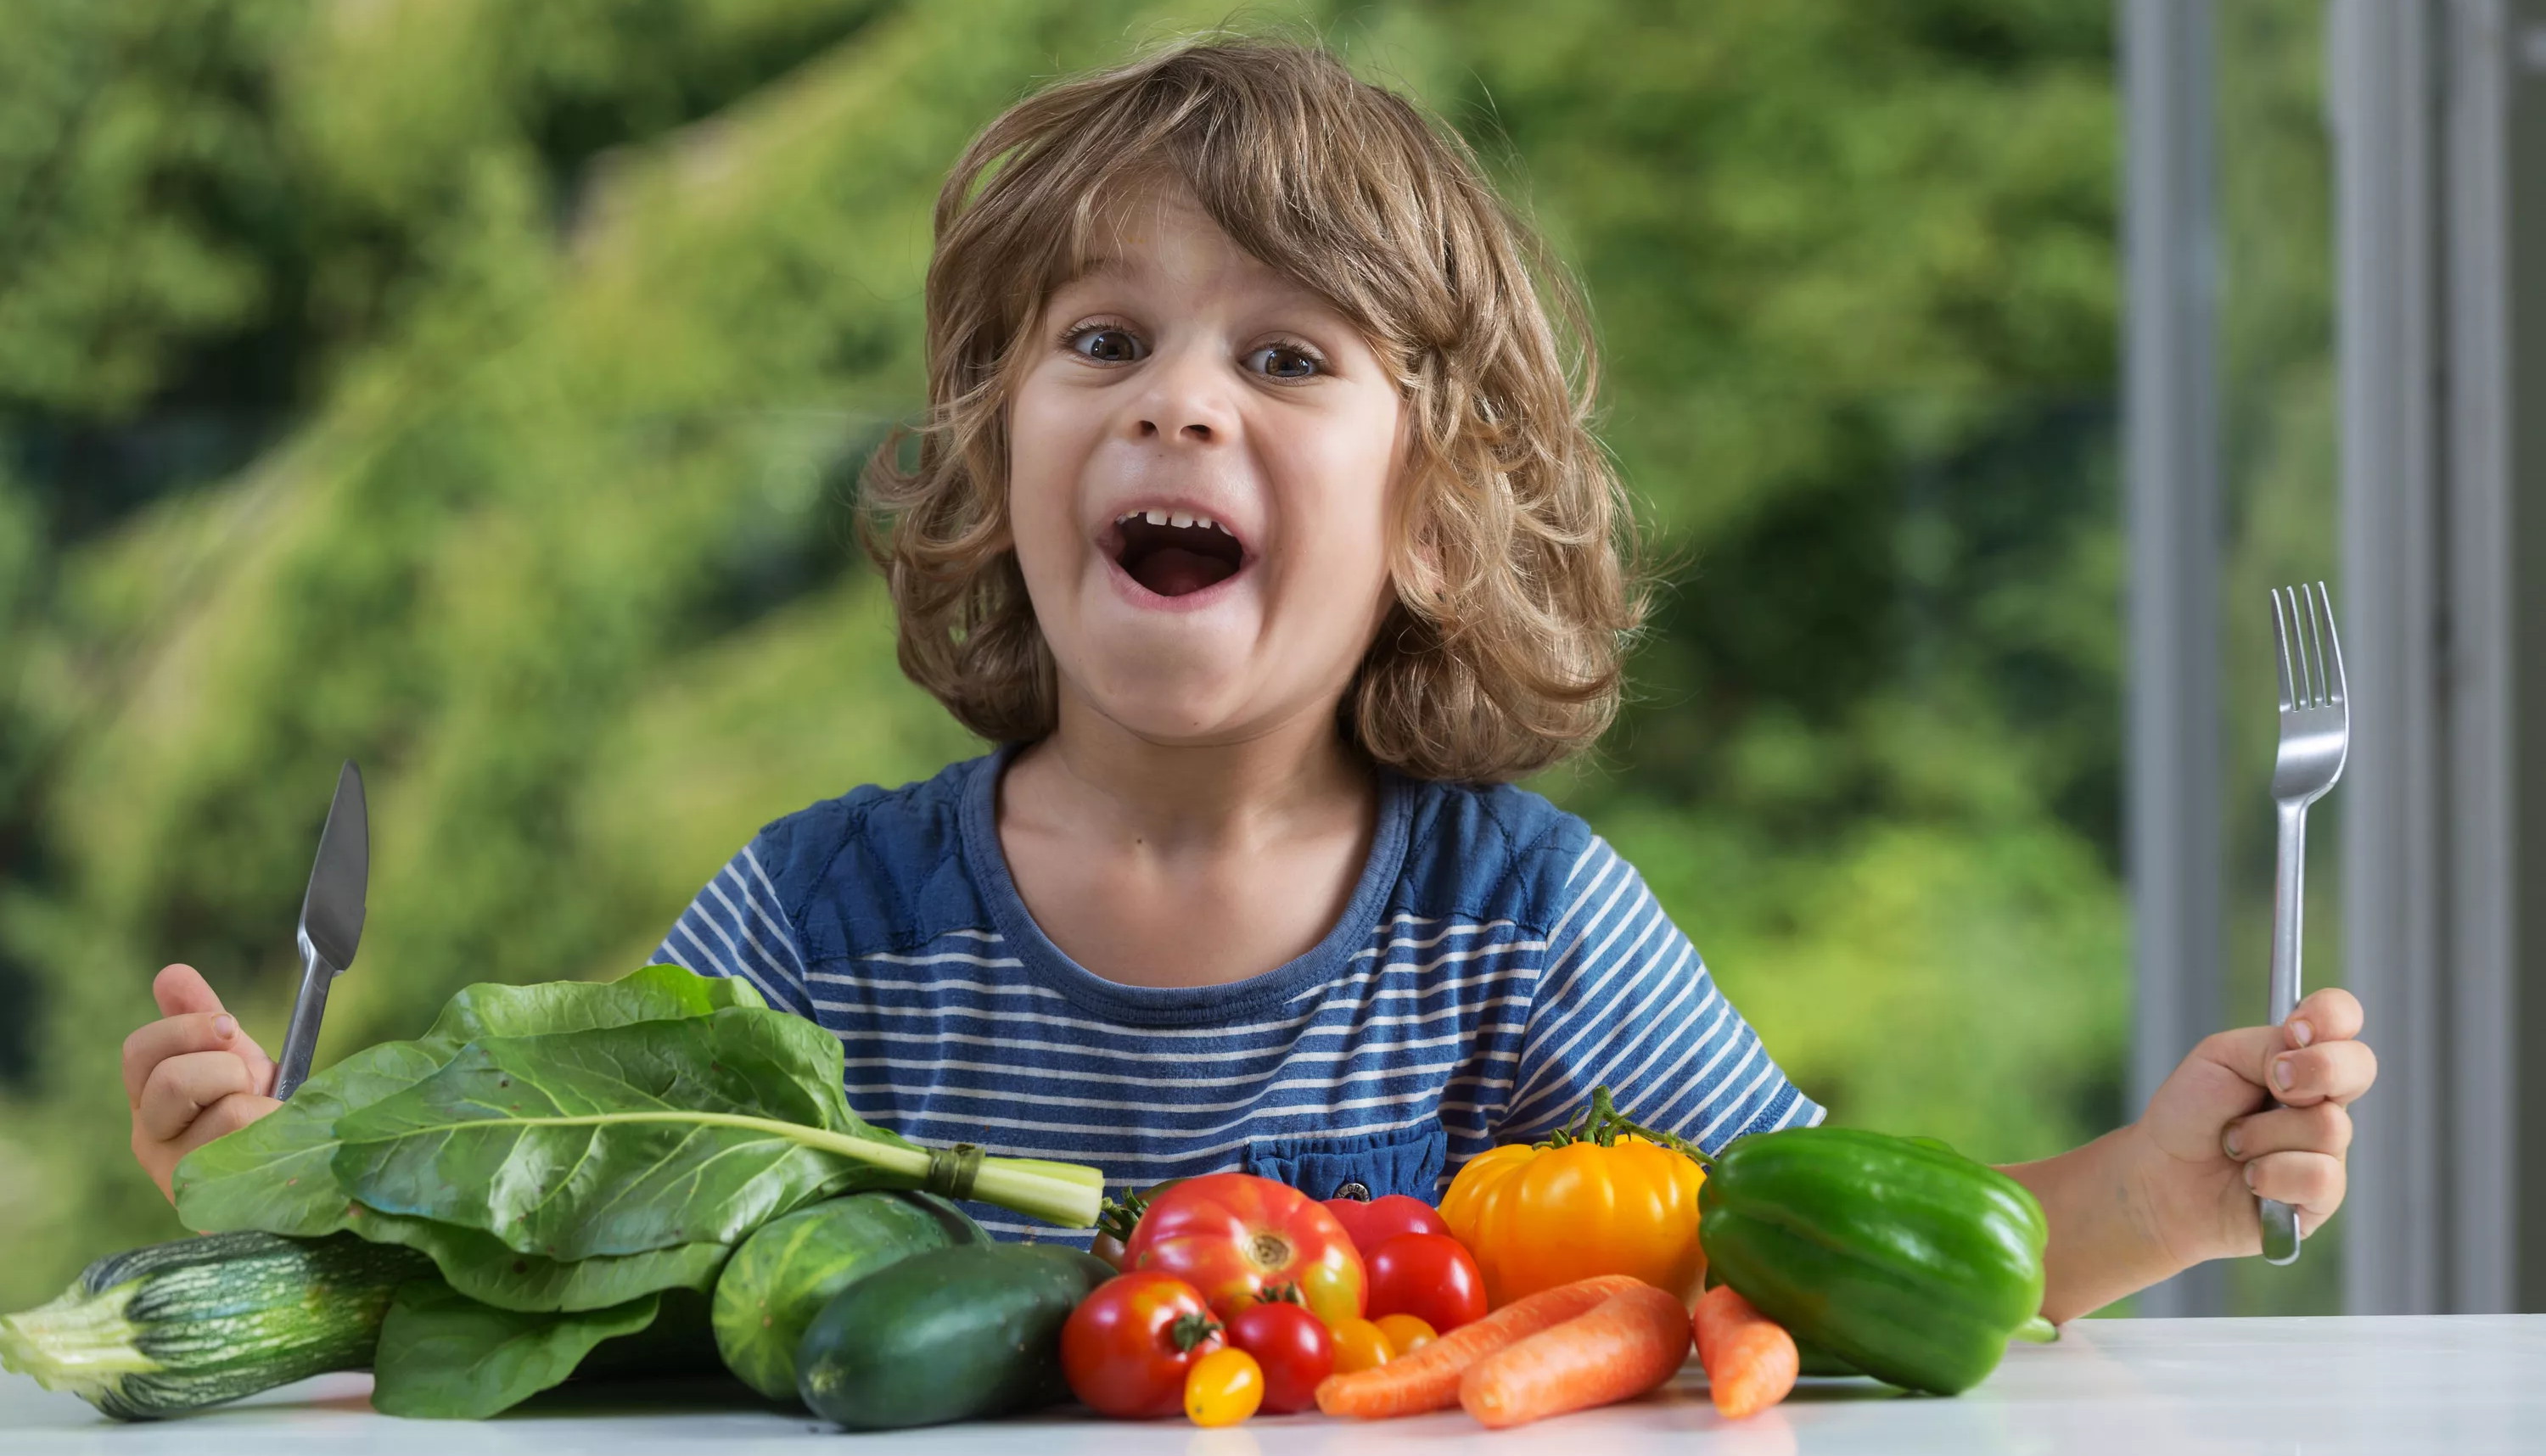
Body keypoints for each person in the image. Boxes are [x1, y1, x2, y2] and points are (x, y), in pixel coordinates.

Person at [115, 39, 2373, 1324]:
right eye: (1102, 345)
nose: (1176, 403)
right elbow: (563, 1250)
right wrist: (295, 1185)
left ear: (1428, 508)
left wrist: (2161, 1191)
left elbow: (1830, 1260)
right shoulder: (820, 925)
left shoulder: (1522, 928)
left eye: (1283, 358)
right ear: (1002, 457)